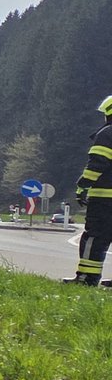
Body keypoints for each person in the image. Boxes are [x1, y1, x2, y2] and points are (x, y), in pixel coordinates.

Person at [67, 95, 112, 285]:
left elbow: (98, 163)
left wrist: (83, 185)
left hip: (105, 198)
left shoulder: (107, 134)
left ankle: (87, 278)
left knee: (95, 238)